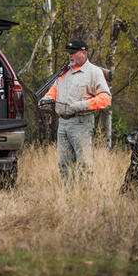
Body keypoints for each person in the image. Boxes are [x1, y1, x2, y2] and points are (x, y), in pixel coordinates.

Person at [39, 39, 111, 182]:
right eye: (69, 53)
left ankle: (84, 194)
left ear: (83, 53)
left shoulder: (94, 72)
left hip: (81, 123)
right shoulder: (64, 72)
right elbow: (54, 90)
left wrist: (82, 105)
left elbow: (105, 98)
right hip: (63, 124)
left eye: (73, 52)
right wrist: (47, 99)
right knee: (64, 164)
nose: (70, 55)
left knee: (84, 165)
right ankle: (68, 194)